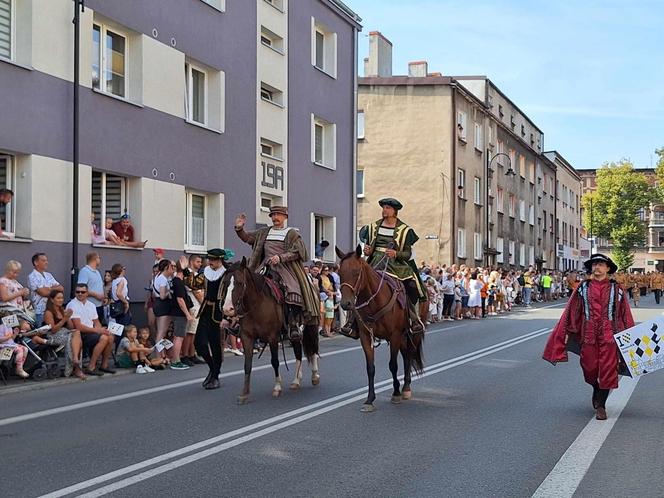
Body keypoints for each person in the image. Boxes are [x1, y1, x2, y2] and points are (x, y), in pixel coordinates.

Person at [543, 253, 634, 421]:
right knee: (589, 368)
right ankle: (596, 387)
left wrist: (630, 335)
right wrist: (568, 331)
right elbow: (572, 311)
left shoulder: (617, 288)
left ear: (607, 268)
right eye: (594, 264)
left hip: (609, 335)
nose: (597, 267)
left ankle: (601, 406)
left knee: (608, 370)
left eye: (600, 264)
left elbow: (624, 314)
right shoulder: (583, 288)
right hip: (588, 334)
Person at [234, 207, 319, 340]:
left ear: (285, 217)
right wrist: (239, 229)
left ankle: (293, 324)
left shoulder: (291, 233)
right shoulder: (264, 232)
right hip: (264, 266)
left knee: (293, 288)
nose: (275, 218)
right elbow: (248, 238)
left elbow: (298, 251)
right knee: (248, 286)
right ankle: (241, 322)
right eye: (273, 215)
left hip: (285, 267)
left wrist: (281, 258)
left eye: (278, 215)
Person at [347, 197, 425, 338]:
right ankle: (352, 323)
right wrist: (368, 251)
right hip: (375, 261)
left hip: (396, 264)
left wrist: (396, 253)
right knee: (358, 284)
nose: (384, 210)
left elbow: (408, 253)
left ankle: (413, 318)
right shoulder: (372, 227)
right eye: (383, 208)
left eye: (388, 208)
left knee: (412, 286)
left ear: (395, 211)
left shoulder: (405, 230)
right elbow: (369, 246)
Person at [192, 248, 229, 390]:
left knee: (215, 345)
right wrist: (186, 271)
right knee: (199, 344)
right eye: (209, 259)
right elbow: (194, 284)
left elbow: (229, 296)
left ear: (219, 260)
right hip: (206, 310)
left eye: (212, 260)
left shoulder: (226, 274)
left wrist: (227, 317)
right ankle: (213, 369)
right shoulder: (206, 272)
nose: (210, 262)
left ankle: (215, 375)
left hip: (219, 312)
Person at [67, 283, 115, 376]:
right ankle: (91, 366)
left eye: (82, 292)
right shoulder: (72, 304)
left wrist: (101, 329)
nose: (80, 294)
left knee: (110, 336)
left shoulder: (91, 305)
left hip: (91, 331)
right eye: (77, 292)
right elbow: (78, 326)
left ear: (87, 293)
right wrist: (97, 331)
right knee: (104, 338)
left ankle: (104, 365)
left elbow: (96, 321)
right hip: (80, 334)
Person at [41, 290, 86, 380]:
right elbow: (53, 330)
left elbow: (70, 327)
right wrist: (64, 319)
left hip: (65, 332)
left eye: (62, 298)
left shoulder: (62, 310)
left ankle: (75, 360)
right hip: (53, 336)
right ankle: (76, 367)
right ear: (52, 300)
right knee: (72, 339)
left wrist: (68, 317)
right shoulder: (48, 313)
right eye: (58, 298)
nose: (61, 300)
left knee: (76, 333)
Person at [167, 262, 193, 370]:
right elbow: (180, 299)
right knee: (179, 337)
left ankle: (175, 359)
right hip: (180, 314)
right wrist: (187, 314)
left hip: (176, 313)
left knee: (178, 337)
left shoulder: (175, 282)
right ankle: (176, 360)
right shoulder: (178, 282)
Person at [27, 253, 64, 327]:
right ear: (36, 262)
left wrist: (48, 289)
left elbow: (61, 288)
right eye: (44, 261)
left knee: (53, 330)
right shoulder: (32, 276)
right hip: (40, 310)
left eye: (47, 260)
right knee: (42, 331)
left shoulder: (48, 275)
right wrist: (52, 289)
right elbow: (43, 292)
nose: (47, 262)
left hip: (53, 309)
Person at [77, 252, 106, 325]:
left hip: (99, 305)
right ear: (95, 259)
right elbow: (81, 288)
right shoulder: (85, 271)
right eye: (99, 258)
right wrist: (96, 295)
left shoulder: (97, 272)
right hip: (90, 306)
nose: (100, 260)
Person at [152, 259, 174, 343]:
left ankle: (162, 353)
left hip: (157, 304)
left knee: (160, 331)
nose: (172, 269)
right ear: (166, 268)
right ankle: (159, 354)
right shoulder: (163, 279)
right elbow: (162, 296)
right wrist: (168, 292)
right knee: (162, 332)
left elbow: (154, 294)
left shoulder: (157, 276)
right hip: (163, 305)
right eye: (170, 267)